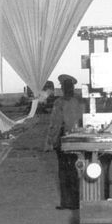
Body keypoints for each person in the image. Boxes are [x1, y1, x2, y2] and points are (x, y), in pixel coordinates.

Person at [45, 74, 83, 210]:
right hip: (80, 140)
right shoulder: (80, 101)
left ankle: (67, 202)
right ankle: (79, 201)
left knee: (64, 172)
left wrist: (50, 142)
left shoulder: (59, 103)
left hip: (64, 141)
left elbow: (55, 124)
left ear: (63, 88)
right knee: (78, 170)